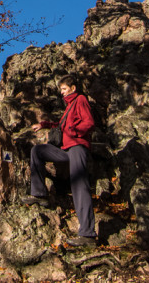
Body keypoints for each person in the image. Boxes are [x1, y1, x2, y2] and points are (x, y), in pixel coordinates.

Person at [25, 74, 97, 247]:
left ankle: (87, 235)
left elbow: (89, 123)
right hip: (65, 149)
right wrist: (45, 125)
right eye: (61, 90)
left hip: (77, 147)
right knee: (38, 151)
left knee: (79, 186)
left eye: (64, 89)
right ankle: (40, 193)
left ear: (73, 88)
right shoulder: (69, 106)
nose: (62, 93)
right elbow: (62, 125)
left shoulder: (80, 100)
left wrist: (74, 132)